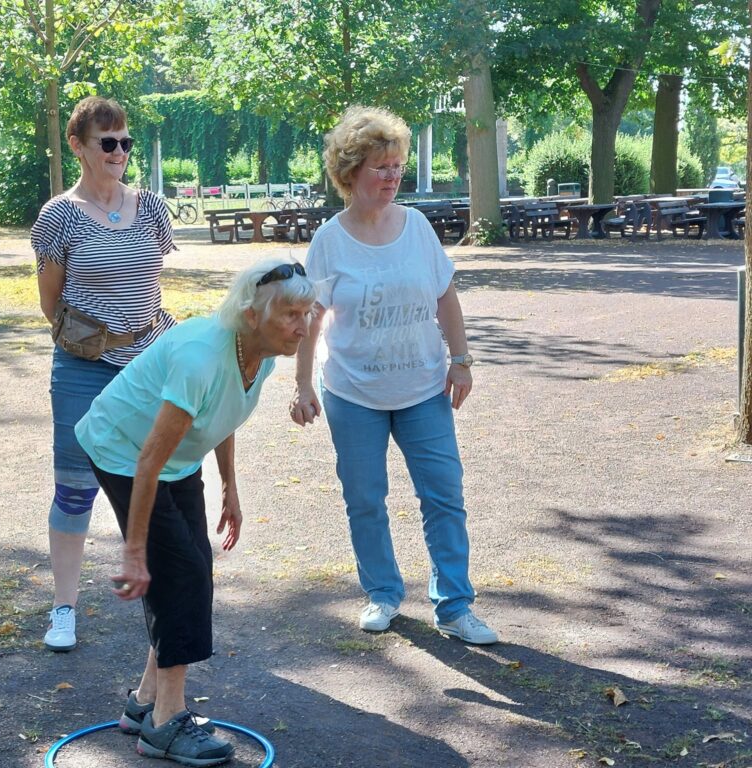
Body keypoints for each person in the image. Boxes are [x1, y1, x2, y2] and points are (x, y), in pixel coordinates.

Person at [76, 259, 316, 766]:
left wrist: (230, 486)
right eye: (292, 313)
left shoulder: (263, 352)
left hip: (176, 458)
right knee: (181, 571)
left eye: (307, 312)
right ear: (252, 314)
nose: (304, 325)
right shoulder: (200, 355)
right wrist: (134, 551)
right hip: (124, 450)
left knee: (188, 567)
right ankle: (165, 723)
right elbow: (147, 461)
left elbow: (225, 410)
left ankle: (145, 704)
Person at [289, 105, 498, 645]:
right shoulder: (331, 240)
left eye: (397, 166)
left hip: (424, 387)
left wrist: (462, 359)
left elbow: (444, 294)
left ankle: (454, 605)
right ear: (350, 172)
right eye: (380, 167)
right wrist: (303, 385)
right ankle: (382, 593)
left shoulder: (418, 227)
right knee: (365, 497)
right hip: (353, 392)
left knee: (444, 495)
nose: (392, 176)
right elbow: (310, 317)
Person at [31, 96, 177, 652]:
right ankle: (63, 610)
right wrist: (95, 342)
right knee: (74, 489)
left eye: (125, 143)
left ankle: (163, 598)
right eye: (107, 142)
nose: (119, 153)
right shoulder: (59, 216)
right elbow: (52, 301)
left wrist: (140, 341)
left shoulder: (153, 208)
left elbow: (149, 280)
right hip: (83, 367)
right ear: (78, 146)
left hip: (150, 360)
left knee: (158, 478)